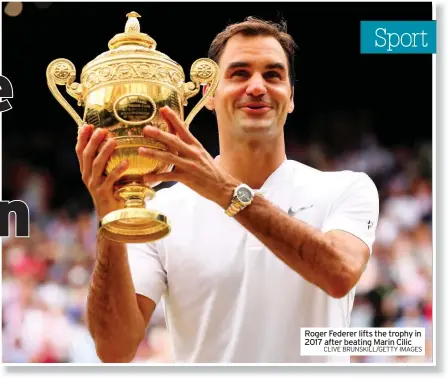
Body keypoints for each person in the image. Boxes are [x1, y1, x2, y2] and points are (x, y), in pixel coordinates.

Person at [77, 16, 379, 363]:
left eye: (273, 74)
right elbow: (114, 348)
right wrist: (110, 220)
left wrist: (224, 190)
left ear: (291, 97)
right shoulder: (164, 209)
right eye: (239, 73)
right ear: (208, 94)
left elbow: (339, 273)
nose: (256, 86)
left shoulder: (346, 188)